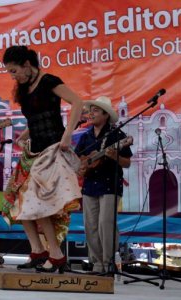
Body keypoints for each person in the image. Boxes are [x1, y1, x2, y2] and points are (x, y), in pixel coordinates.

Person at [2, 45, 83, 273]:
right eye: (10, 72)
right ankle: (38, 251)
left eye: (14, 70)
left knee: (40, 204)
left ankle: (56, 254)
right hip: (33, 151)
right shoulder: (24, 89)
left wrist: (67, 135)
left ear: (27, 65)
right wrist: (24, 135)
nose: (13, 76)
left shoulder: (49, 81)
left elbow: (78, 103)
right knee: (16, 201)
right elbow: (37, 118)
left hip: (52, 150)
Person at [75, 96, 133, 274]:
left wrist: (112, 155)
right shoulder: (86, 136)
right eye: (90, 110)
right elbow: (78, 160)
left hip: (109, 185)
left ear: (106, 115)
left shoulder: (118, 136)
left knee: (105, 224)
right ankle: (97, 263)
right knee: (90, 225)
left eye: (95, 111)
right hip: (90, 185)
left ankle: (108, 263)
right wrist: (82, 167)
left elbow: (127, 163)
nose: (91, 113)